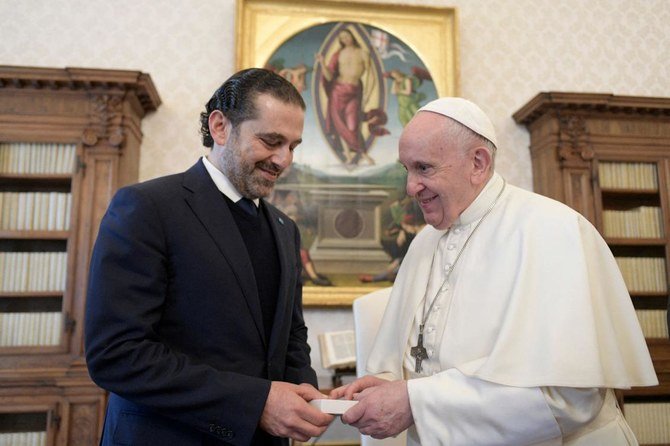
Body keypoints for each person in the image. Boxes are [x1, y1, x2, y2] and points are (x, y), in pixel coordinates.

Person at [332, 97, 658, 445]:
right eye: (406, 170)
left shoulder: (551, 230)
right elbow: (417, 362)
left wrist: (416, 401)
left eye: (424, 168)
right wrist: (392, 386)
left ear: (478, 163)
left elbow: (567, 399)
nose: (410, 187)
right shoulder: (424, 244)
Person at [85, 68, 334, 446]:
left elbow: (292, 336)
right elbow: (117, 355)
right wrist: (257, 403)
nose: (284, 160)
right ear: (220, 127)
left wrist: (305, 392)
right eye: (271, 141)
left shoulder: (285, 228)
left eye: (293, 146)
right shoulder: (147, 208)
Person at [316, 28, 377, 165]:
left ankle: (364, 155)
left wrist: (367, 94)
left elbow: (371, 76)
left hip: (354, 92)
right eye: (342, 38)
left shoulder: (362, 53)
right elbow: (329, 76)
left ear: (352, 36)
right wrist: (321, 63)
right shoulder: (338, 54)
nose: (345, 39)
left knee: (352, 125)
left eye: (347, 36)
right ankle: (349, 157)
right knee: (340, 125)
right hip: (337, 91)